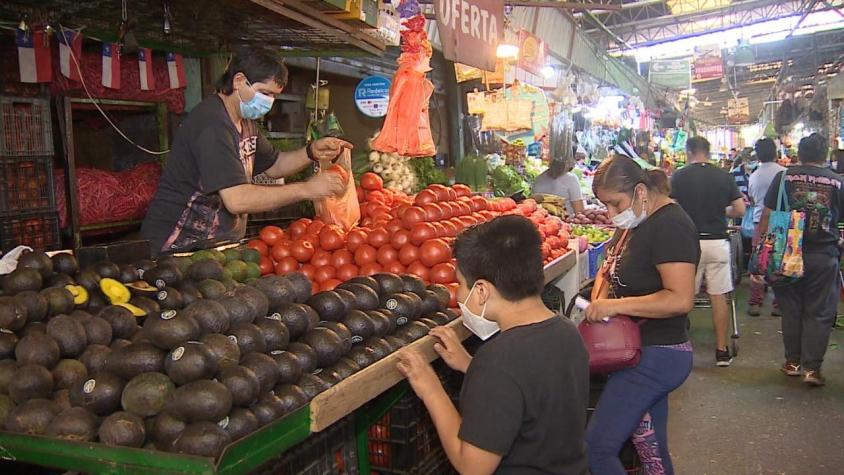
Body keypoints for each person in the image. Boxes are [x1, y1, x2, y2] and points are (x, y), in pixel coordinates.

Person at [396, 215, 589, 475]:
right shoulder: (567, 331)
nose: (459, 295)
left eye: (460, 285)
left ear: (482, 291)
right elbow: (531, 390)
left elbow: (472, 467)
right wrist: (470, 366)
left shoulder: (498, 361)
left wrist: (431, 389)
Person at [141, 51, 350, 255]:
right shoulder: (212, 124)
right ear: (239, 81)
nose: (269, 102)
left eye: (274, 96)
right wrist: (307, 189)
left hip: (210, 247)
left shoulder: (244, 121)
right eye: (265, 93)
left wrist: (311, 151)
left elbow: (274, 166)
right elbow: (237, 200)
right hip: (177, 247)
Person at [585, 155, 698, 475]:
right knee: (651, 452)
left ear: (640, 191)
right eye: (605, 206)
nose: (610, 214)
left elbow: (679, 299)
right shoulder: (637, 221)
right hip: (638, 351)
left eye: (614, 204)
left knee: (598, 449)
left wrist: (614, 306)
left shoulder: (672, 225)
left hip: (658, 353)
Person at [755, 134, 843, 386]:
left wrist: (762, 252)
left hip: (787, 254)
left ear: (800, 154)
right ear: (824, 154)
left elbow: (768, 215)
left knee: (791, 310)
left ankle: (792, 362)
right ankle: (812, 370)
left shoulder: (783, 177)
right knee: (820, 312)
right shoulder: (837, 182)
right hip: (824, 255)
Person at [670, 136, 746, 366]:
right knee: (718, 296)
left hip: (687, 244)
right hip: (717, 243)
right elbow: (740, 209)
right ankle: (722, 350)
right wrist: (721, 212)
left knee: (684, 297)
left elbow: (670, 207)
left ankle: (677, 347)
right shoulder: (724, 176)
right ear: (708, 151)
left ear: (689, 151)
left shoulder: (679, 176)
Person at [746, 138, 785, 316]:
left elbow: (753, 200)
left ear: (758, 155)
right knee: (778, 263)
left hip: (759, 223)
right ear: (775, 153)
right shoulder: (784, 173)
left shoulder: (754, 175)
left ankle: (755, 302)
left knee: (758, 262)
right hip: (780, 223)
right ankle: (778, 304)